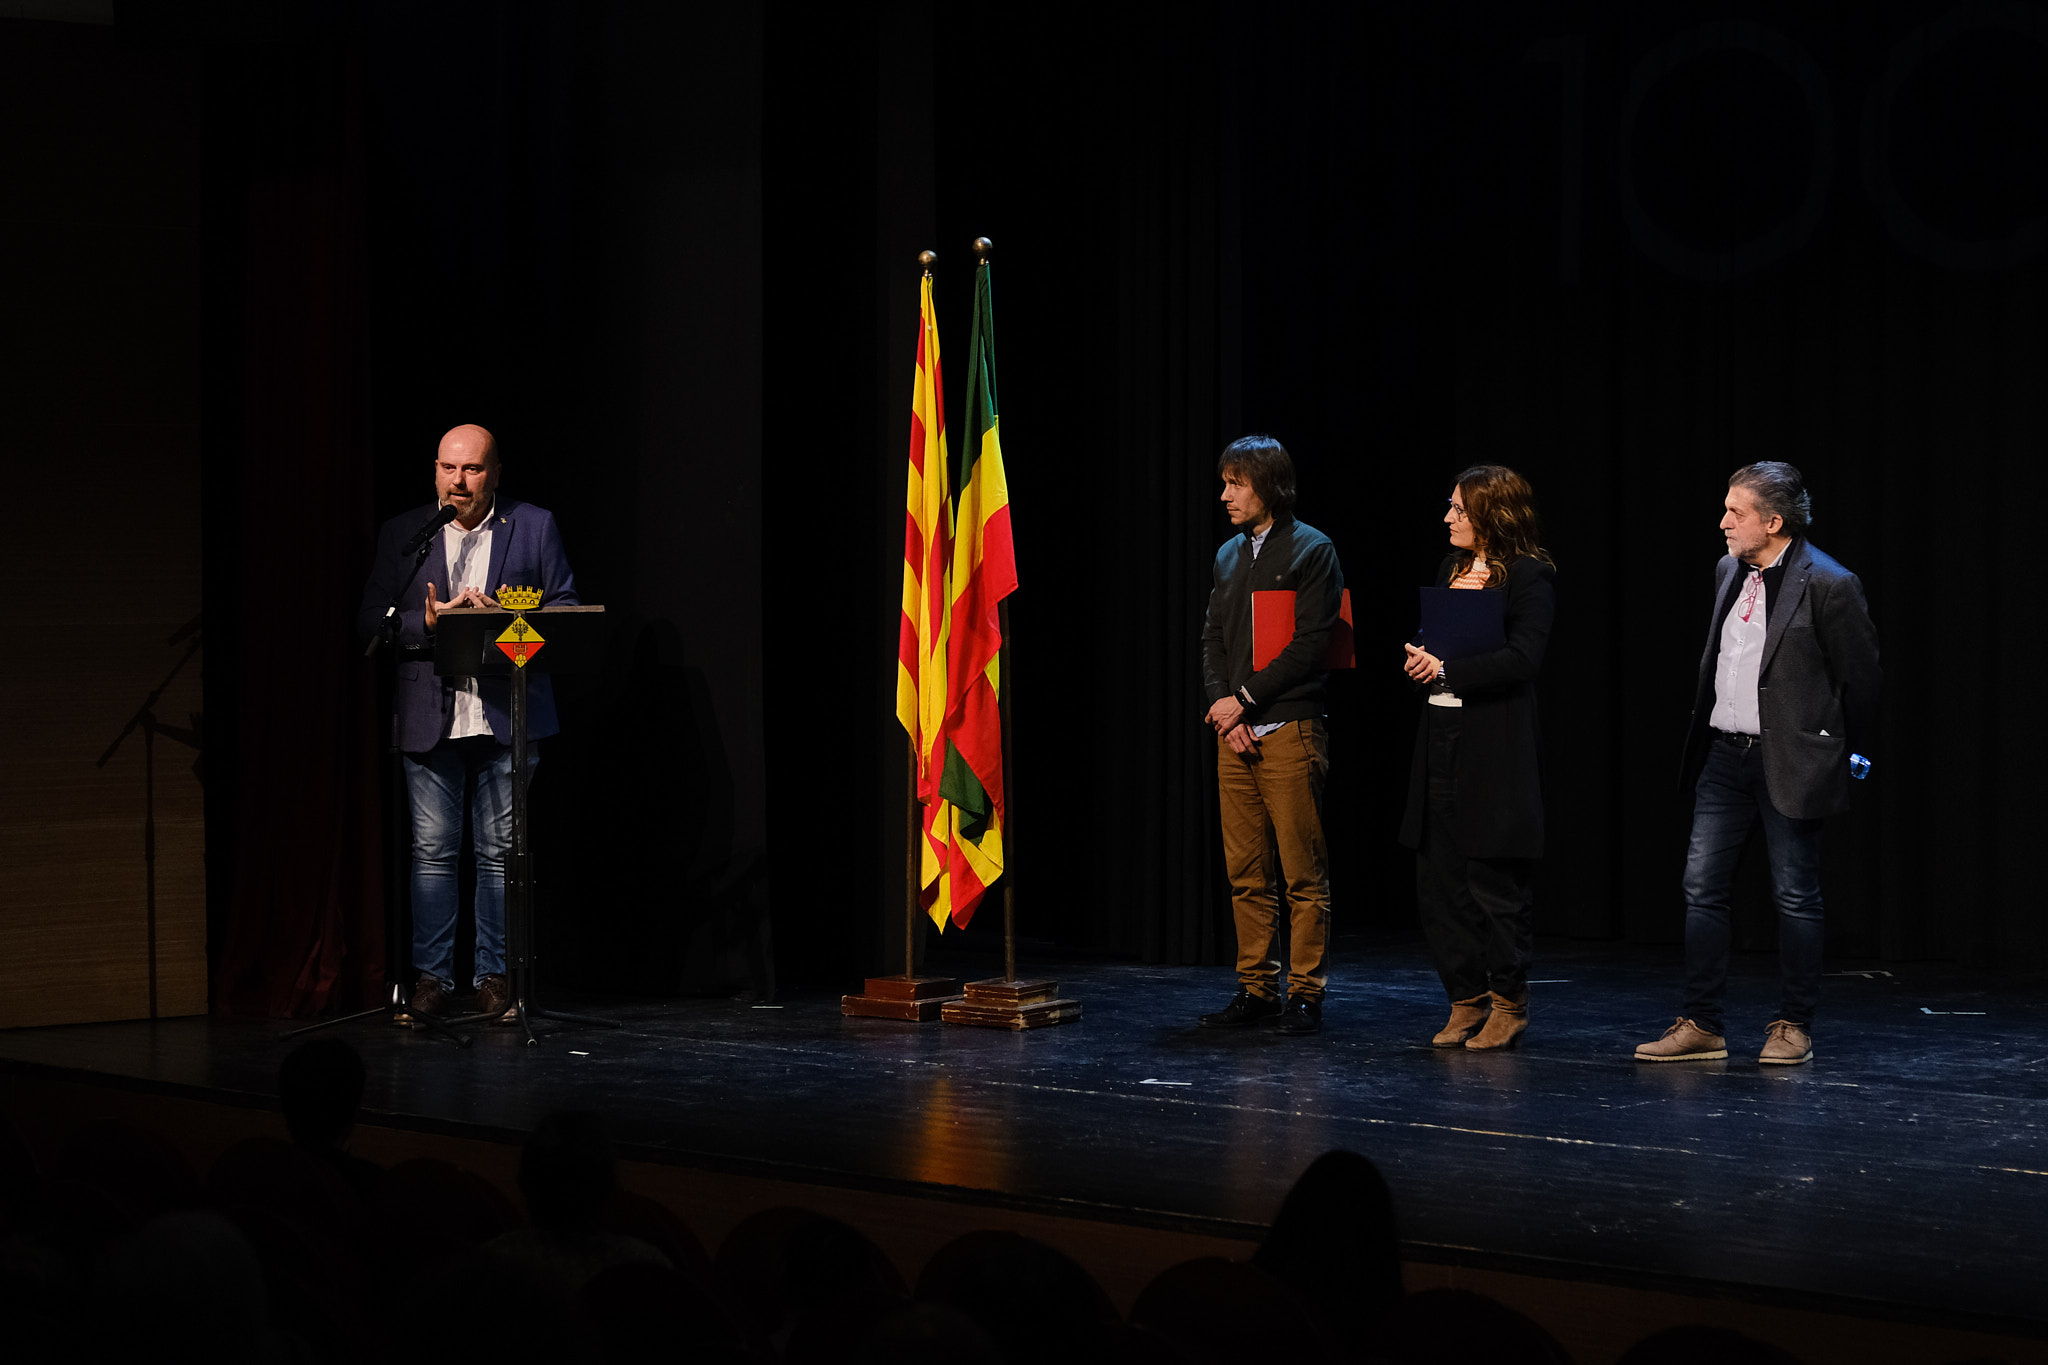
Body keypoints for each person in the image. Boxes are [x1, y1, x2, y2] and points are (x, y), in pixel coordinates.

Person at [1637, 462, 1879, 1066]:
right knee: (1701, 889)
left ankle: (1793, 1024)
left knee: (1795, 895)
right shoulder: (1728, 569)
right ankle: (1702, 1024)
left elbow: (1863, 679)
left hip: (1790, 760)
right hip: (1724, 754)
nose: (1723, 523)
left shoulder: (1829, 582)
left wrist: (1844, 754)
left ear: (1773, 521)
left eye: (1735, 512)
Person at [356, 424, 578, 1025]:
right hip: (431, 716)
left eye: (473, 470)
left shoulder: (533, 525)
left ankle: (494, 979)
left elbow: (562, 610)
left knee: (500, 854)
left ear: (495, 473)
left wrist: (504, 622)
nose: (459, 482)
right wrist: (426, 624)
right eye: (449, 469)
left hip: (508, 714)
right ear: (435, 471)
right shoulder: (406, 533)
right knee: (431, 853)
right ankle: (430, 979)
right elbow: (372, 616)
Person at [1397, 466, 1556, 1051]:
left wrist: (1446, 668)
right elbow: (1438, 641)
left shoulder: (1530, 577)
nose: (1448, 518)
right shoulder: (1451, 570)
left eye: (1459, 509)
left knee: (1492, 879)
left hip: (1494, 744)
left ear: (1493, 513)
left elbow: (1523, 659)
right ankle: (1466, 1000)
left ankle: (1509, 1004)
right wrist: (1421, 657)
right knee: (1441, 879)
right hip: (1441, 735)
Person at [1197, 435, 1344, 1036]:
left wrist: (1247, 702)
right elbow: (1212, 640)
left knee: (1301, 874)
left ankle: (1305, 996)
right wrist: (1222, 709)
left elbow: (1311, 647)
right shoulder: (1229, 555)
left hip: (1289, 729)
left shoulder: (1313, 550)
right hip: (1236, 735)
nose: (1226, 494)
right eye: (1225, 482)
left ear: (1270, 487)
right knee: (1246, 872)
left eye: (1238, 483)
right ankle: (1255, 989)